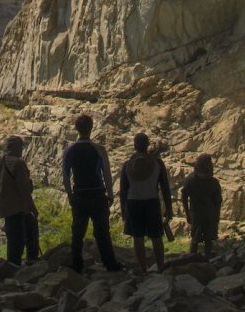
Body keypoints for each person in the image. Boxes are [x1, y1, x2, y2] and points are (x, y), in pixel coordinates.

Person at [61, 114, 123, 273]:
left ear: (76, 128)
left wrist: (70, 195)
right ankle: (110, 264)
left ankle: (76, 264)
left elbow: (66, 177)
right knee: (102, 231)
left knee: (77, 232)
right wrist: (110, 194)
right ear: (91, 128)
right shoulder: (99, 150)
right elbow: (107, 174)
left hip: (79, 194)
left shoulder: (69, 150)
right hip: (97, 193)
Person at [119, 132, 172, 273]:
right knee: (156, 236)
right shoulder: (157, 163)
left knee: (138, 237)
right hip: (152, 202)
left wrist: (123, 209)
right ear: (148, 145)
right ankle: (161, 266)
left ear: (135, 146)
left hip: (133, 203)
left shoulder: (127, 165)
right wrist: (168, 208)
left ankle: (143, 269)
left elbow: (123, 190)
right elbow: (165, 188)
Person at [0, 135, 40, 265]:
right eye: (21, 147)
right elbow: (23, 188)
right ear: (16, 148)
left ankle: (23, 260)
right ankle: (17, 264)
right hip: (17, 206)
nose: (22, 150)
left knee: (20, 232)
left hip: (3, 204)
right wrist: (32, 207)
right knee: (17, 238)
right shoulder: (18, 163)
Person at [181, 153, 222, 258]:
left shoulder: (190, 180)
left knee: (195, 240)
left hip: (196, 214)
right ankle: (206, 260)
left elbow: (184, 196)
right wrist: (217, 216)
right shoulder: (214, 182)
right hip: (209, 214)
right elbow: (218, 202)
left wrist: (187, 213)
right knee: (208, 241)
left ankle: (191, 260)